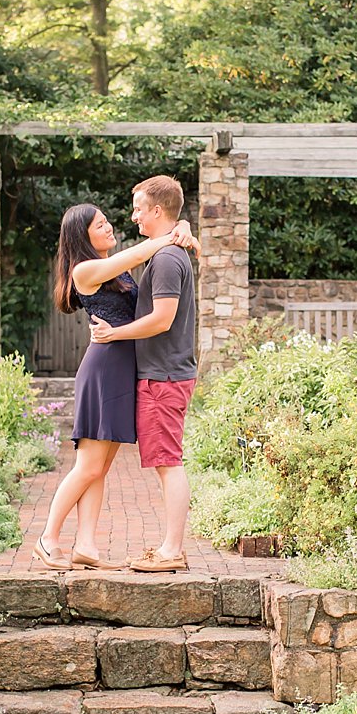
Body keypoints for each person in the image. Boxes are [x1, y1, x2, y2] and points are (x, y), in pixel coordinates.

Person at [35, 202, 196, 570]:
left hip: (124, 369)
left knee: (99, 468)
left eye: (108, 222)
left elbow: (148, 251)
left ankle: (87, 546)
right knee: (88, 467)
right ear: (83, 236)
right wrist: (177, 230)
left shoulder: (117, 275)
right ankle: (47, 538)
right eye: (100, 225)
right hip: (104, 369)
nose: (110, 228)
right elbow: (143, 250)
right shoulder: (86, 270)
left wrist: (181, 225)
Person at [89, 175, 197, 573]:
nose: (133, 216)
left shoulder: (167, 259)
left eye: (138, 208)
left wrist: (115, 333)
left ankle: (172, 551)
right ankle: (169, 546)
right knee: (166, 462)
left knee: (169, 463)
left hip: (164, 377)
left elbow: (163, 319)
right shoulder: (167, 250)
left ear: (157, 210)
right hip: (163, 374)